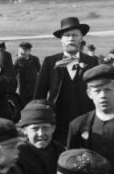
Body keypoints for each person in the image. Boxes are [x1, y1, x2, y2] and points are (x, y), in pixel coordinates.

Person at [34, 16, 100, 146]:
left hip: (86, 122)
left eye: (75, 35)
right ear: (61, 40)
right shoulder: (50, 62)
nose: (71, 38)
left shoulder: (92, 61)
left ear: (81, 38)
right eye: (67, 35)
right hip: (58, 123)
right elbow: (39, 95)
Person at [15, 42, 41, 107]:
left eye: (24, 50)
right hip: (23, 88)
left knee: (34, 104)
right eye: (20, 50)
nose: (22, 52)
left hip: (33, 86)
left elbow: (40, 71)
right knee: (24, 105)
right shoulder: (18, 60)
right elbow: (13, 72)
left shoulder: (35, 59)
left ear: (29, 51)